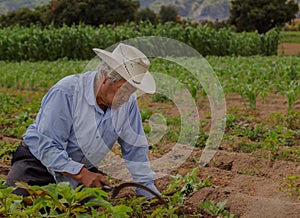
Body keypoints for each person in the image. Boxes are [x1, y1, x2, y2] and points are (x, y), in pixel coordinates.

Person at [7, 43, 160, 199]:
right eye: (124, 89)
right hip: (37, 165)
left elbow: (135, 148)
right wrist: (81, 174)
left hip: (81, 173)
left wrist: (147, 189)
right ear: (105, 77)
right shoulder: (67, 92)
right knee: (17, 202)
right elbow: (46, 145)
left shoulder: (128, 103)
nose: (127, 98)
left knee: (95, 209)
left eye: (132, 92)